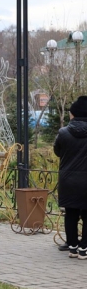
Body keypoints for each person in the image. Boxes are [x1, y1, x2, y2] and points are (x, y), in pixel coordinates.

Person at [53, 95, 87, 259]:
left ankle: (73, 246)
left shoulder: (63, 132)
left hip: (68, 180)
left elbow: (57, 152)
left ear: (73, 114)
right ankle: (84, 248)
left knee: (71, 214)